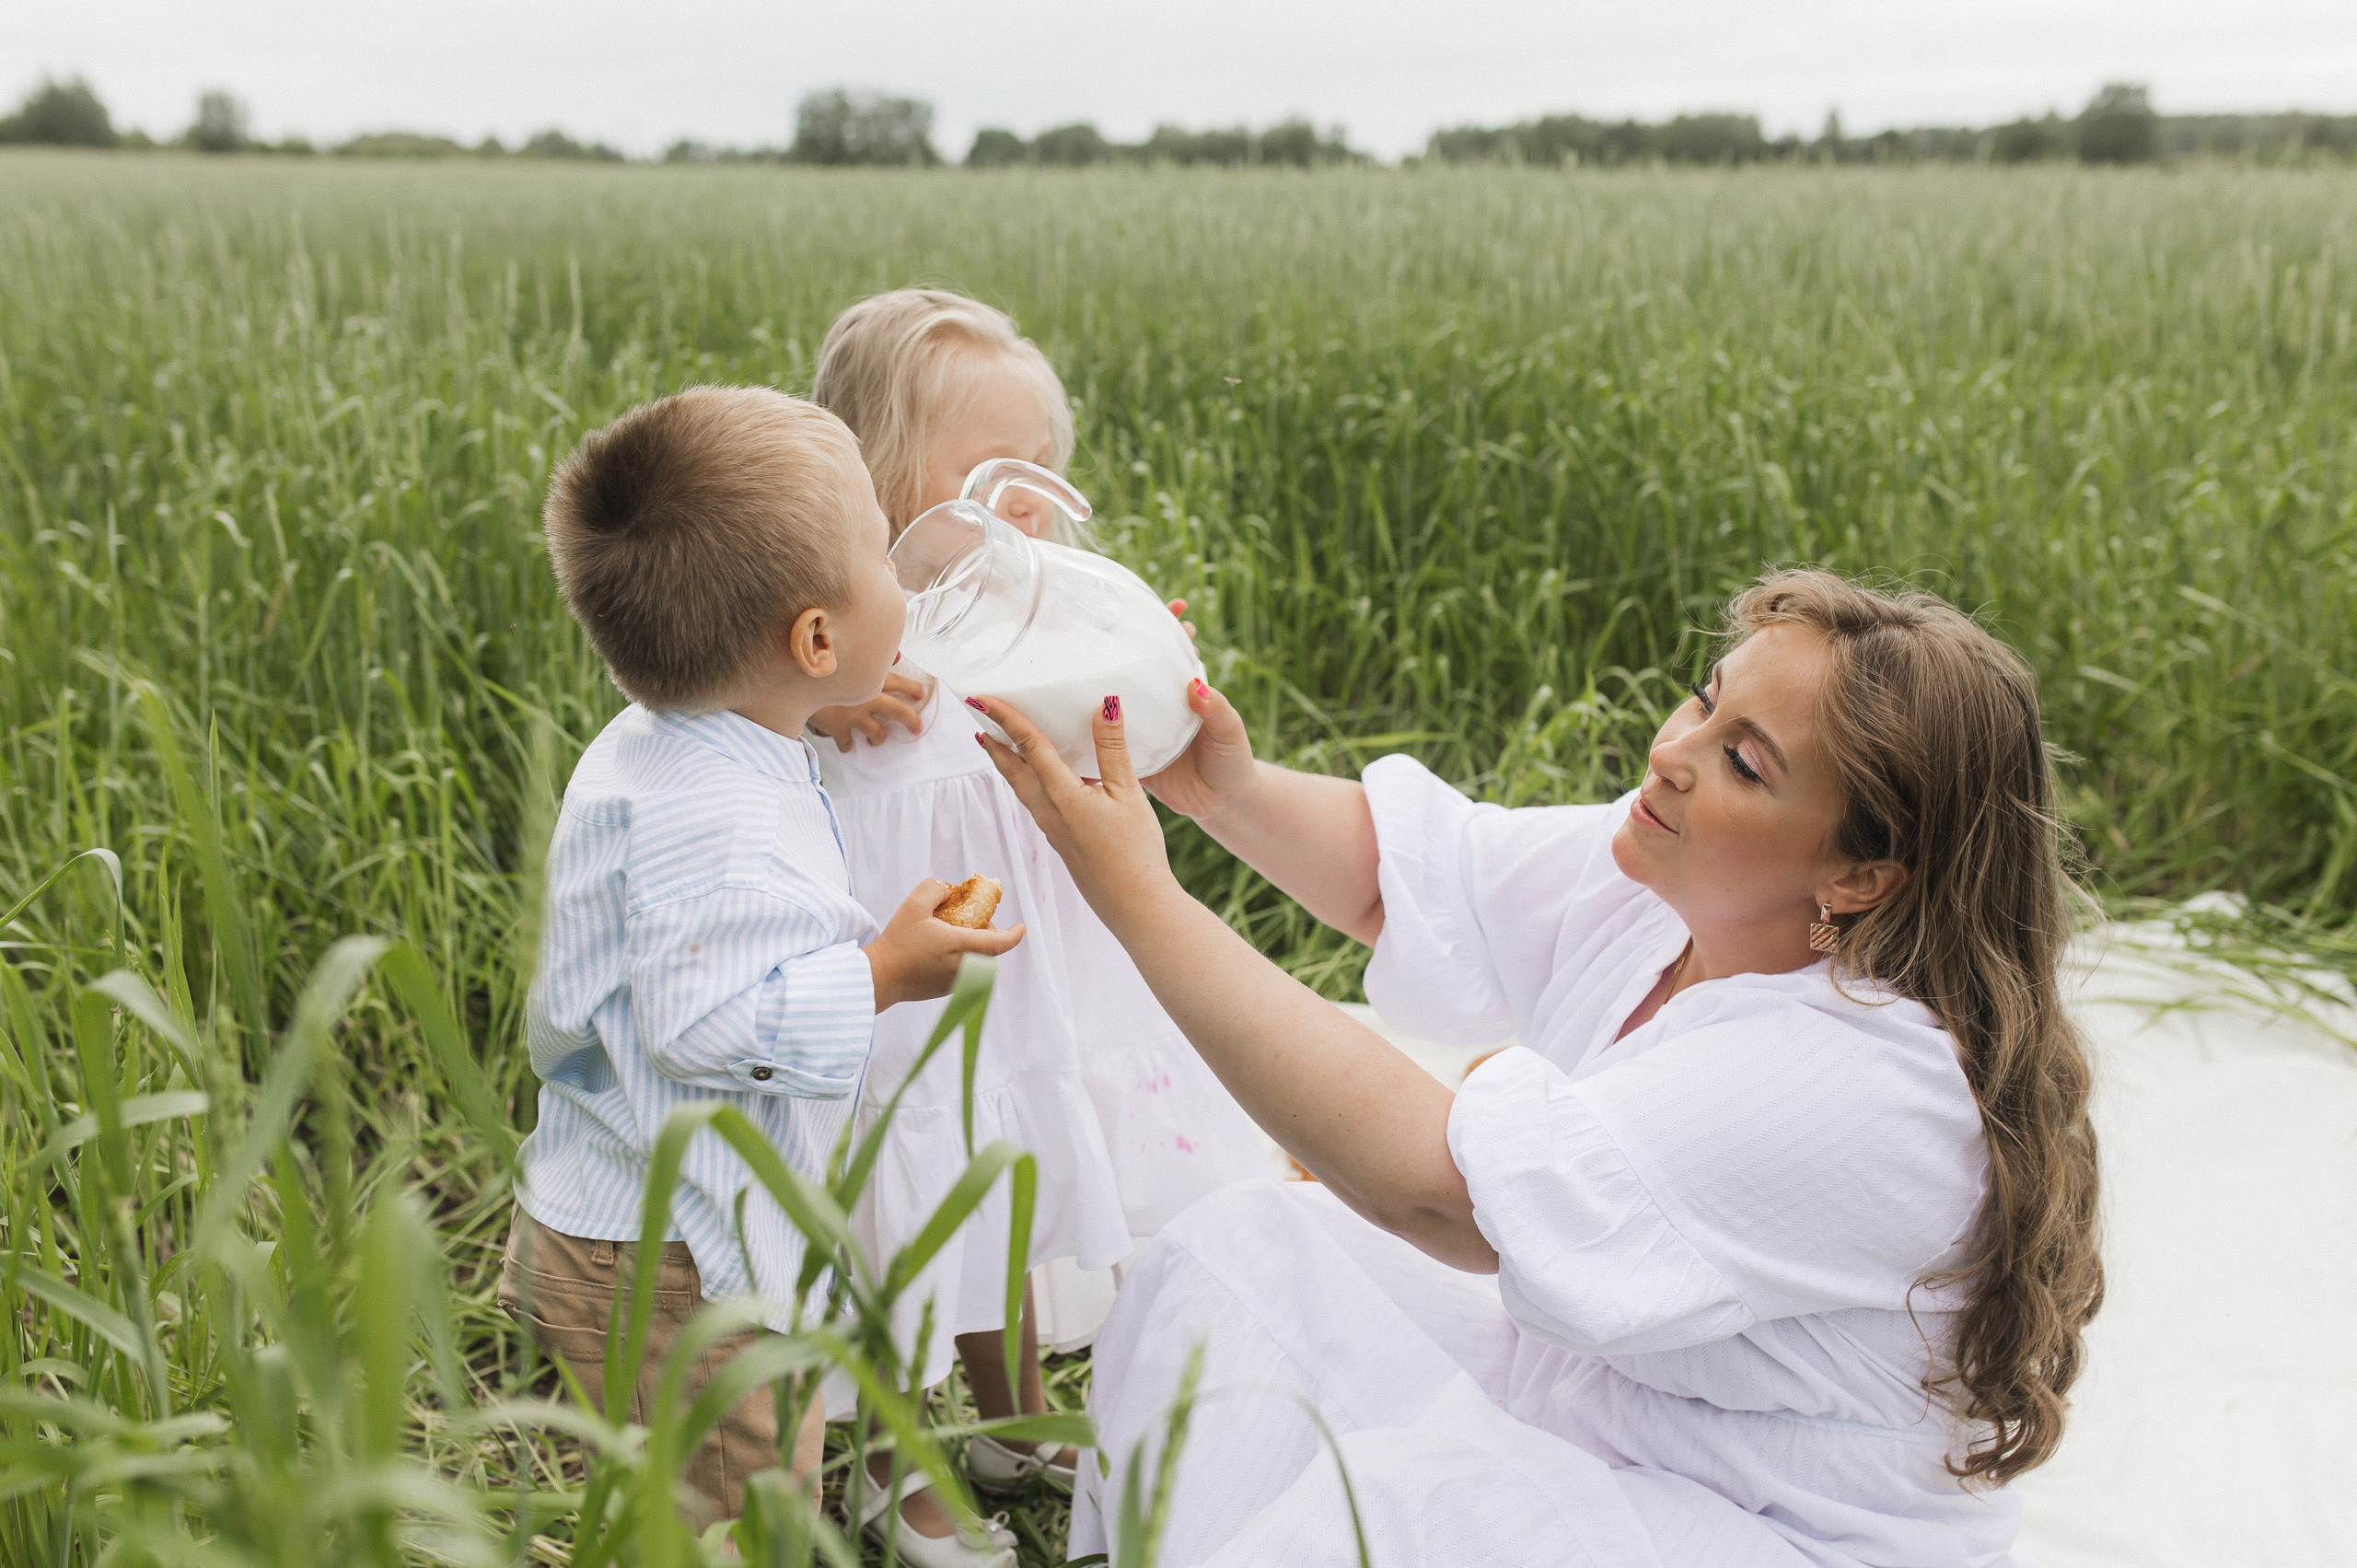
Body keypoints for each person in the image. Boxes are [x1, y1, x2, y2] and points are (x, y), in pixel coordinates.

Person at [975, 568, 2104, 1566]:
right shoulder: (1675, 884)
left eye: (1743, 764)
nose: (1670, 752)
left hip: (1768, 1528)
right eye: (1706, 700)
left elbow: (1435, 1189)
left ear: (1859, 878)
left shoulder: (1860, 1079)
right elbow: (1415, 883)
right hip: (1606, 1417)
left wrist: (1135, 891)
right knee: (1236, 1256)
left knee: (1419, 1510)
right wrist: (1221, 788)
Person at [496, 386, 1023, 1535]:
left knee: (707, 1472)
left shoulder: (689, 728)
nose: (904, 584)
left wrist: (818, 696)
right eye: (884, 563)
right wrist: (881, 968)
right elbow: (705, 1019)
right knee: (739, 1502)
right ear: (816, 635)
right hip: (673, 1256)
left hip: (644, 1212)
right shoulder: (719, 816)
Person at [803, 288, 1268, 1563]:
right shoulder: (836, 630)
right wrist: (823, 688)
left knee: (1011, 1162)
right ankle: (888, 1455)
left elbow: (1113, 726)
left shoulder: (1017, 615)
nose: (1024, 509)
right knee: (916, 1186)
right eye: (986, 477)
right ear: (875, 471)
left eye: (1042, 479)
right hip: (908, 962)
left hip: (1031, 954)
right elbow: (738, 708)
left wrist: (1135, 673)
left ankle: (1009, 1415)